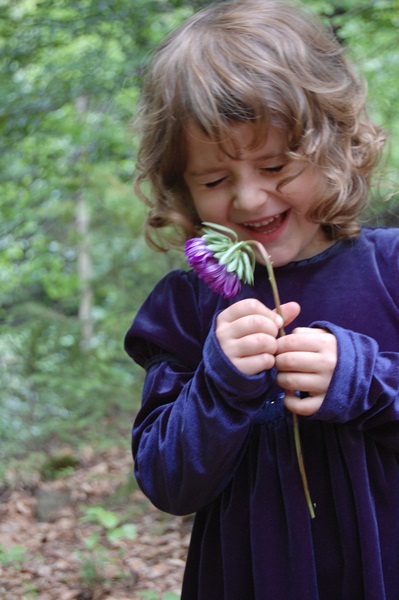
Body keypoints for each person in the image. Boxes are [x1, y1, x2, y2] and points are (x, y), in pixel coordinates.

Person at [124, 0, 399, 598]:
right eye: (216, 180)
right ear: (182, 186)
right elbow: (167, 482)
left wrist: (362, 380)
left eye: (275, 165)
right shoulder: (188, 307)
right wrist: (219, 385)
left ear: (338, 145)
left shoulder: (390, 268)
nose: (249, 200)